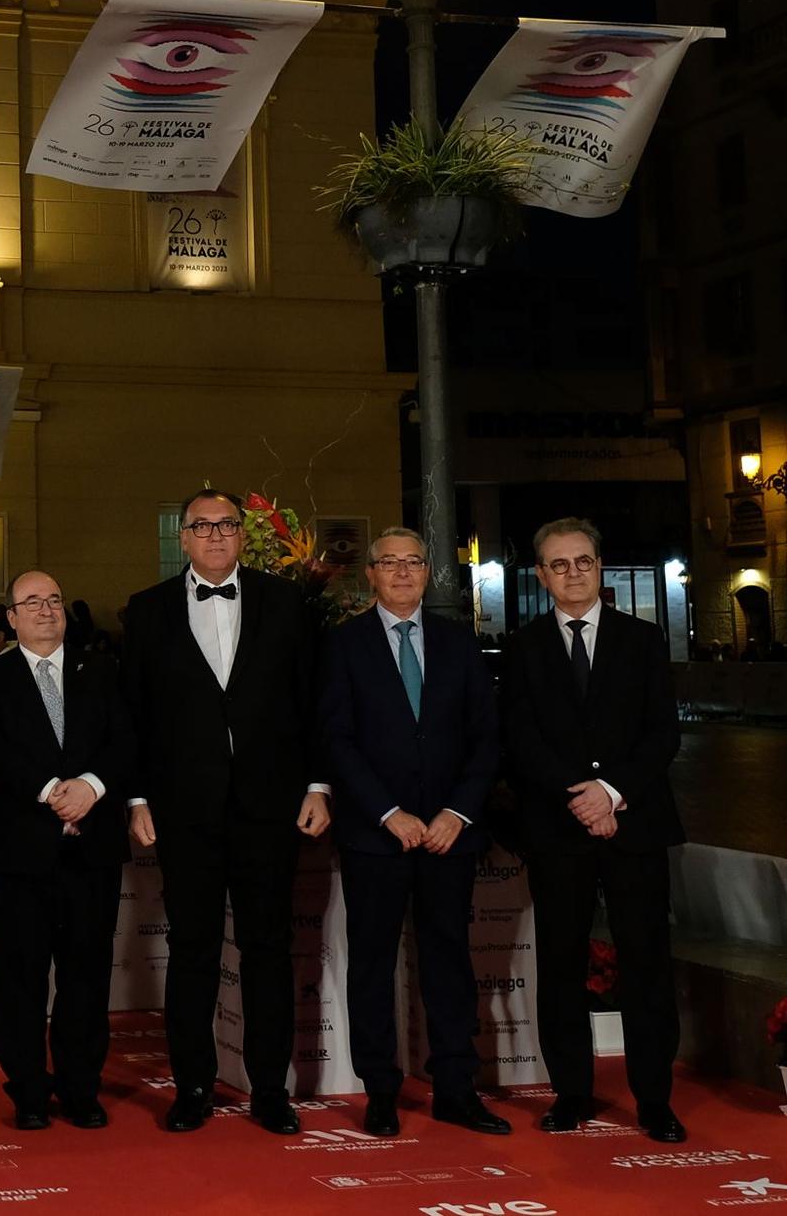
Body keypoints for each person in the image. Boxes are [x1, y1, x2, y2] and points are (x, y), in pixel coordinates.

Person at [122, 487, 326, 1136]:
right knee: (193, 951)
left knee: (268, 950)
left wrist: (318, 785)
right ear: (181, 538)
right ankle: (193, 1089)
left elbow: (311, 701)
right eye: (200, 526)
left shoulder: (287, 602)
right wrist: (137, 797)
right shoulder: (146, 611)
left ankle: (271, 1091)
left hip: (270, 807)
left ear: (243, 535)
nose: (213, 535)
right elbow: (134, 715)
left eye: (225, 525)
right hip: (185, 811)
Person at [500, 517, 686, 1144]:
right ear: (541, 574)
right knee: (560, 963)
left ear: (599, 566)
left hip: (634, 824)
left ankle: (655, 1100)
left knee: (647, 964)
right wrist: (578, 796)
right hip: (558, 827)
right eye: (559, 564)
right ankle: (573, 1093)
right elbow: (520, 739)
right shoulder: (523, 647)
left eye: (582, 561)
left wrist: (610, 792)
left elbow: (663, 732)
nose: (572, 573)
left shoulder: (644, 639)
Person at [319, 529, 508, 1138]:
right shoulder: (343, 645)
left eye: (414, 563)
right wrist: (386, 812)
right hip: (377, 835)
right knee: (372, 963)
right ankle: (380, 1090)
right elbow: (336, 739)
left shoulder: (460, 644)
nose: (403, 573)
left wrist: (458, 812)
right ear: (370, 575)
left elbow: (486, 739)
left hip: (450, 835)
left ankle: (457, 1087)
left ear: (430, 573)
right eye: (389, 564)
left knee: (448, 961)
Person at [0, 569, 131, 1131]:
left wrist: (92, 787)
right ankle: (29, 1090)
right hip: (20, 853)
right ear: (10, 617)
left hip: (93, 851)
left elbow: (126, 740)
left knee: (87, 973)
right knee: (20, 977)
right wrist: (49, 792)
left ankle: (81, 1087)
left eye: (54, 600)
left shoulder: (103, 670)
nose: (45, 609)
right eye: (31, 602)